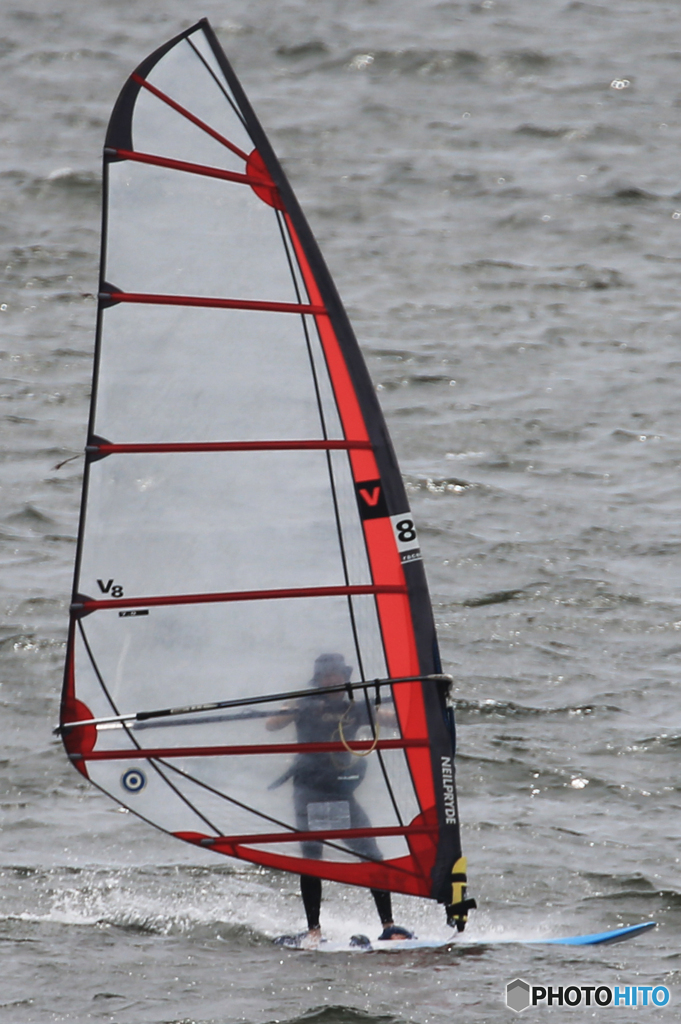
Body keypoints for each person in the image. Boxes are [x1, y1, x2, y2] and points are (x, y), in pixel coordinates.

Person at [267, 653, 413, 947]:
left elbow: (395, 721)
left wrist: (424, 707)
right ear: (318, 679)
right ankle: (313, 931)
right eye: (328, 675)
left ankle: (388, 925)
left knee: (371, 853)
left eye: (338, 675)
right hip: (308, 792)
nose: (334, 679)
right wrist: (299, 706)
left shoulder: (354, 709)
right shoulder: (304, 705)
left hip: (340, 792)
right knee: (312, 859)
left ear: (346, 678)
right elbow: (272, 724)